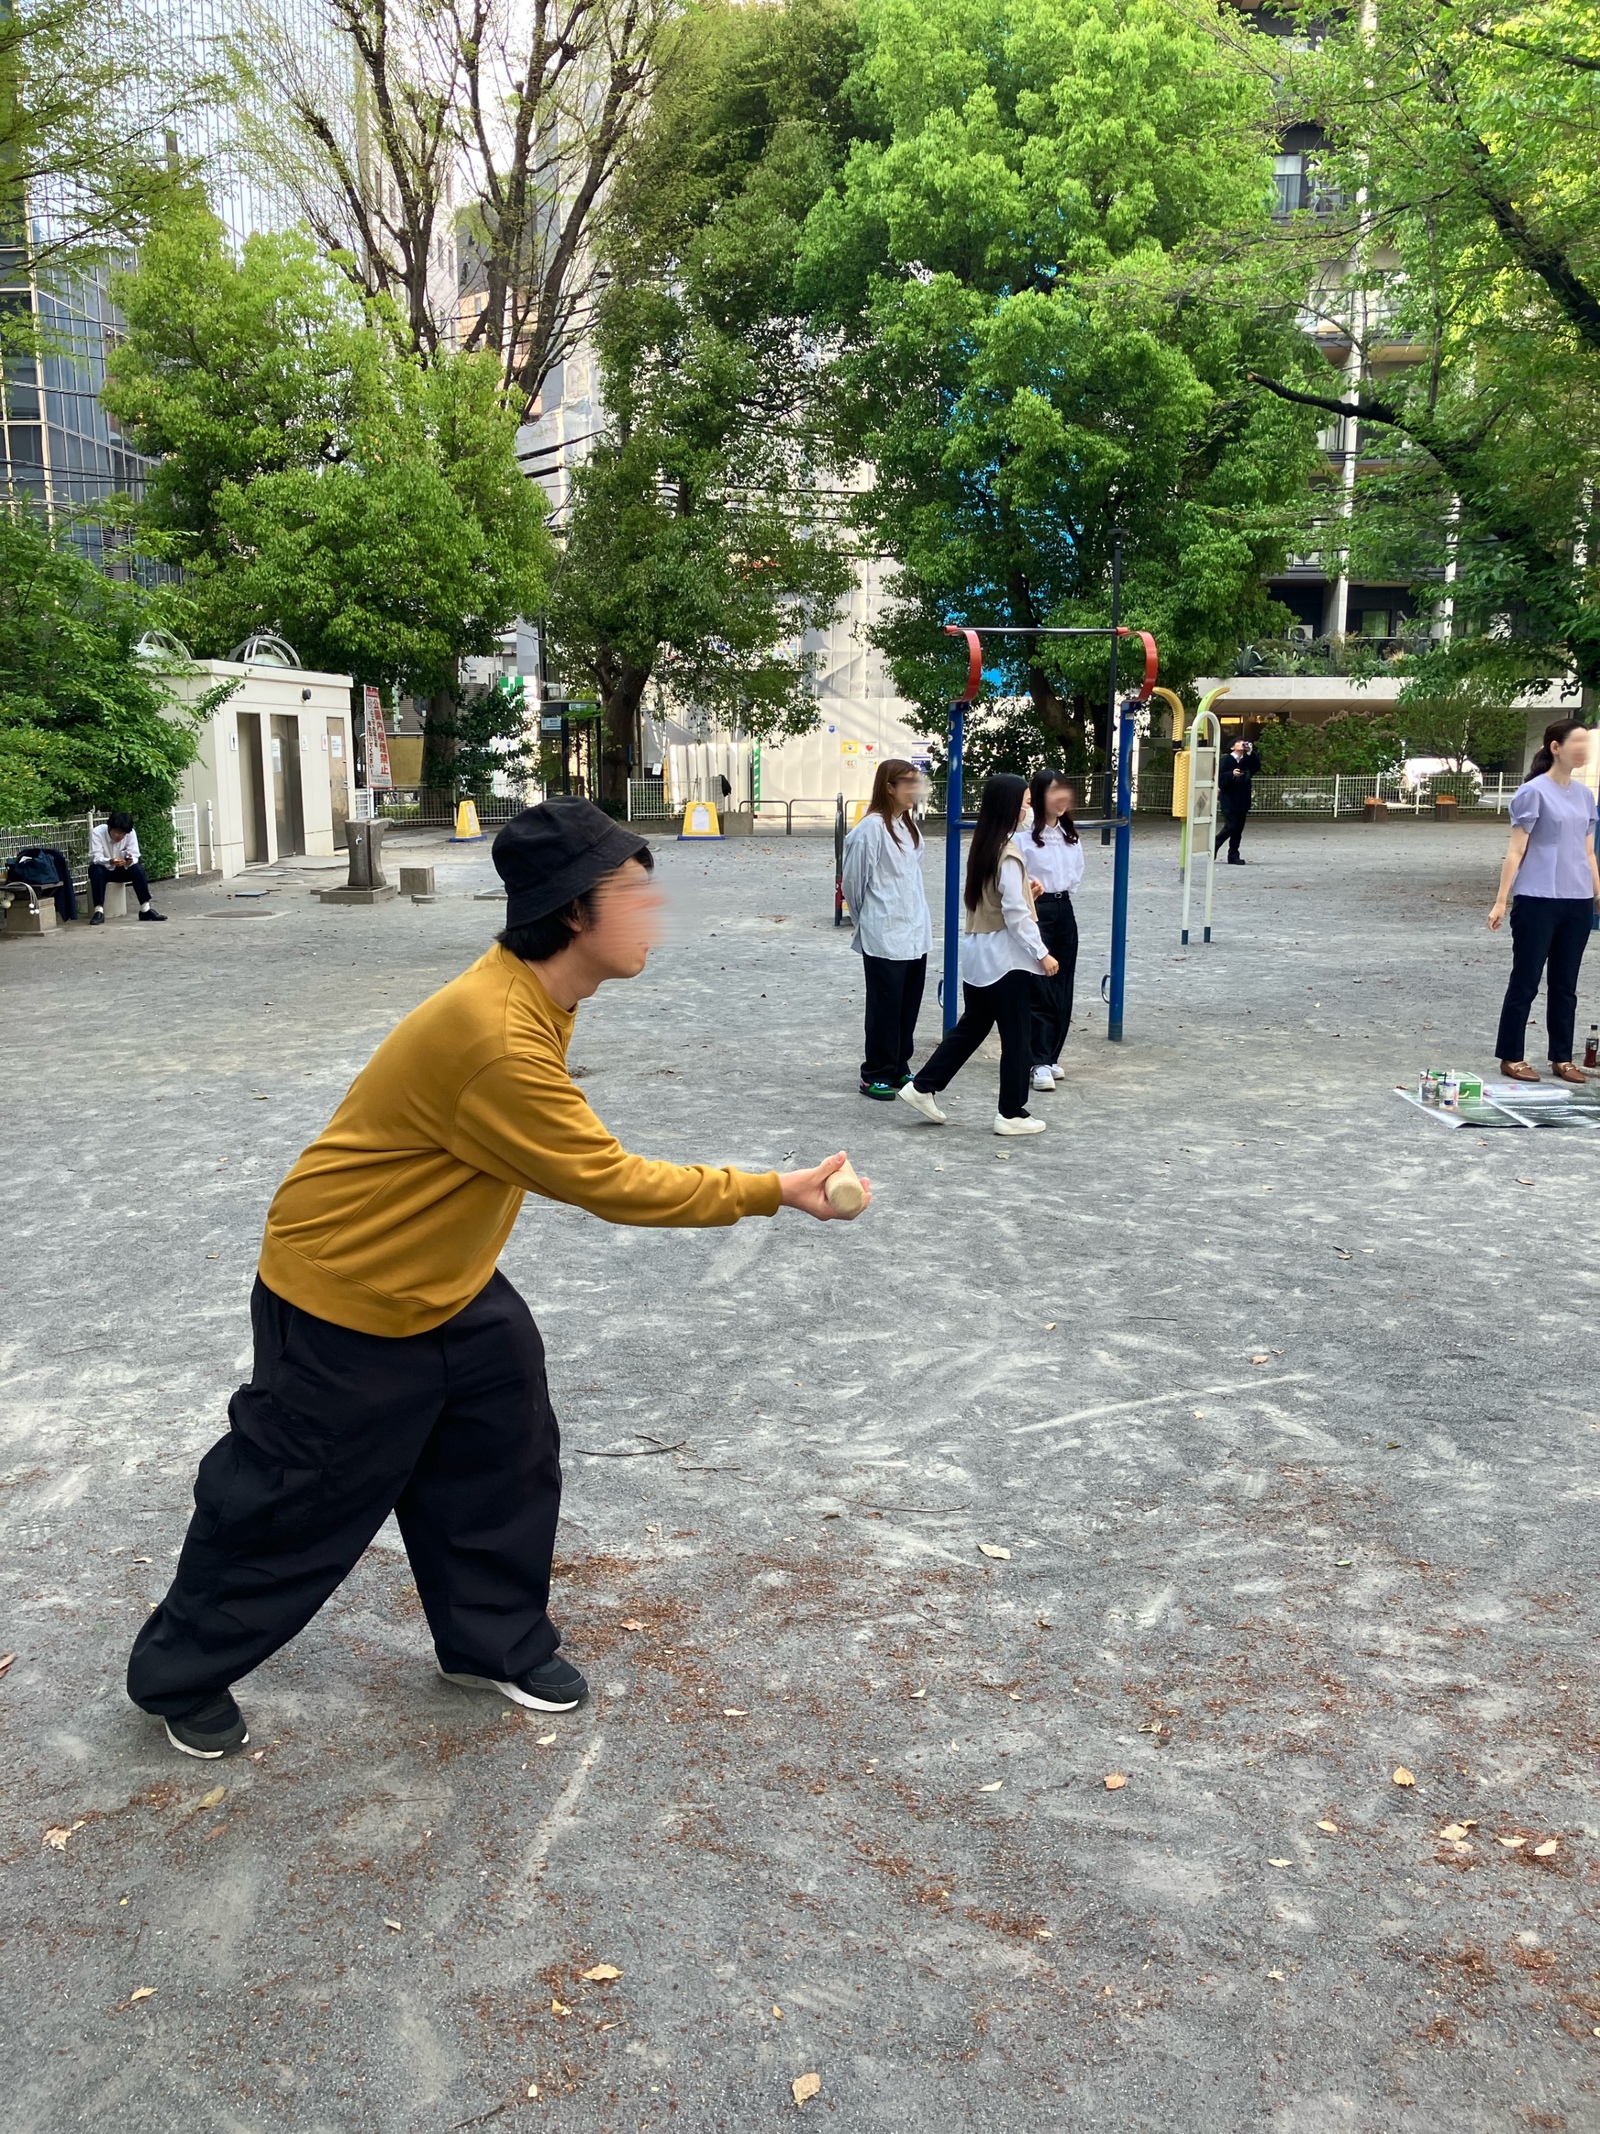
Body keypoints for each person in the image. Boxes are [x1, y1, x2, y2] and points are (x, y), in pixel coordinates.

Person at [126, 797, 870, 1759]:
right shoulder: (499, 1038)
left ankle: (491, 1643)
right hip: (346, 1287)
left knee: (502, 1448)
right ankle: (180, 1673)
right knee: (291, 1496)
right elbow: (611, 1183)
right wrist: (776, 1189)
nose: (656, 912)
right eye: (635, 894)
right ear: (573, 911)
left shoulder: (535, 996)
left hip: (445, 1277)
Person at [899, 774, 1058, 1137]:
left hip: (979, 954)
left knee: (973, 1027)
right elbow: (1015, 915)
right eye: (1027, 802)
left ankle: (923, 1086)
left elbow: (999, 901)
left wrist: (1027, 894)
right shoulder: (1009, 853)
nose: (1030, 809)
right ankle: (1011, 1112)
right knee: (1017, 1036)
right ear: (1012, 806)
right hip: (1005, 959)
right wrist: (1042, 953)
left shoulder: (985, 846)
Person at [1488, 718, 1600, 1083]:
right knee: (1526, 980)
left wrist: (1597, 892)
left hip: (1577, 900)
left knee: (1566, 984)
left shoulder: (1585, 796)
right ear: (1555, 747)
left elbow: (1588, 851)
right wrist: (1501, 901)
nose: (1583, 750)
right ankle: (1511, 1055)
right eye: (1577, 743)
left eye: (1587, 743)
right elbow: (1516, 851)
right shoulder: (1533, 792)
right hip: (1537, 899)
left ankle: (1562, 1057)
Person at [840, 758, 933, 1099]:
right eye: (907, 783)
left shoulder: (908, 827)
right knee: (885, 1005)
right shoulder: (870, 829)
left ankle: (898, 1065)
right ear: (889, 787)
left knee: (908, 1003)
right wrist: (867, 919)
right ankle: (875, 1072)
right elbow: (853, 883)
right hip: (884, 931)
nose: (915, 789)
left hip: (914, 930)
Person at [1019, 768, 1083, 1094]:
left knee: (1063, 983)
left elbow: (1076, 876)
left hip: (1064, 907)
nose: (1061, 798)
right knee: (1040, 984)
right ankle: (1038, 1060)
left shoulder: (1070, 836)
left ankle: (1052, 1053)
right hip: (1037, 909)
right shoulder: (1023, 838)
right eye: (1053, 792)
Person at [89, 811, 166, 923]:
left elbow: (135, 854)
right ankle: (98, 911)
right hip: (103, 869)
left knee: (138, 870)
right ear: (109, 827)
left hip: (122, 869)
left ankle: (145, 909)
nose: (120, 836)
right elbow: (95, 857)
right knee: (96, 870)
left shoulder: (131, 833)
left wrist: (128, 861)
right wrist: (110, 861)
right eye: (117, 832)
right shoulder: (97, 832)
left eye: (123, 834)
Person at [1214, 737, 1260, 864]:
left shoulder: (1247, 759)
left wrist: (1251, 752)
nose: (1242, 743)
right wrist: (1231, 774)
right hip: (1229, 797)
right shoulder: (1226, 760)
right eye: (1239, 742)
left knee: (1238, 828)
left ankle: (1233, 855)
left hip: (1243, 797)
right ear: (1232, 747)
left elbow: (1256, 767)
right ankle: (1216, 842)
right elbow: (1219, 777)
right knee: (1231, 825)